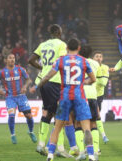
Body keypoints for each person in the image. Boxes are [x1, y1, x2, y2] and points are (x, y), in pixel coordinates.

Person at [38, 38, 96, 161]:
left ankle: (50, 155)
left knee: (58, 127)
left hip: (64, 97)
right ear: (79, 48)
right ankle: (91, 155)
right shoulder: (84, 61)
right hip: (79, 96)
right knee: (86, 128)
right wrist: (82, 82)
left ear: (66, 48)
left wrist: (39, 84)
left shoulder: (60, 60)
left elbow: (48, 76)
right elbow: (93, 79)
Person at [28, 24, 77, 157]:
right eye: (61, 31)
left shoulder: (43, 44)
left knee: (50, 113)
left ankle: (46, 145)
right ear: (58, 32)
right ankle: (56, 148)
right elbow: (62, 61)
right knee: (59, 115)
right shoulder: (61, 44)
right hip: (55, 82)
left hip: (44, 82)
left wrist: (42, 68)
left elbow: (30, 60)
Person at [0, 53, 37, 144]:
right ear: (6, 60)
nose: (12, 60)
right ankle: (13, 135)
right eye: (10, 58)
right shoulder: (2, 72)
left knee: (29, 115)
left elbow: (29, 80)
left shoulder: (20, 70)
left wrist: (25, 86)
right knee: (12, 115)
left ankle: (31, 131)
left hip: (21, 96)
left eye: (13, 58)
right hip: (10, 97)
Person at [75, 45, 101, 160]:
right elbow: (96, 78)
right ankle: (95, 151)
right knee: (93, 124)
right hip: (92, 95)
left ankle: (81, 152)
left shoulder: (77, 62)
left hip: (80, 95)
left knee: (78, 124)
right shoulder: (96, 64)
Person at [93, 51, 110, 143]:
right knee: (95, 115)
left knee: (96, 116)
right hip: (89, 95)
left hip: (99, 95)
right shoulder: (90, 66)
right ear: (93, 58)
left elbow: (104, 83)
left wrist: (94, 78)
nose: (98, 58)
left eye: (100, 56)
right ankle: (103, 136)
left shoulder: (105, 67)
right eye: (96, 56)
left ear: (102, 59)